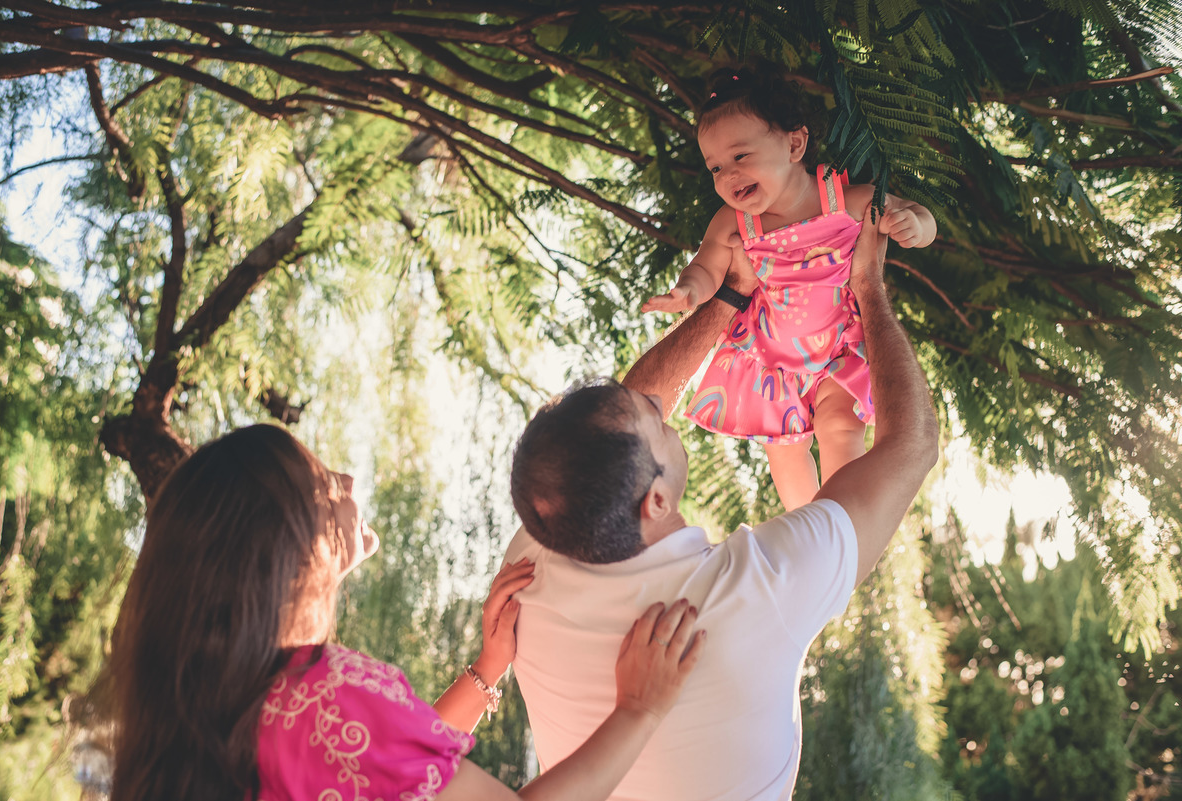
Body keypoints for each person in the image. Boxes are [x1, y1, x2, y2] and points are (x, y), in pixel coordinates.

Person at [505, 219, 939, 801]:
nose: (660, 408)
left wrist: (733, 294)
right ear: (656, 501)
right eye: (656, 423)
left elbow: (615, 432)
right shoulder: (756, 589)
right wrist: (869, 288)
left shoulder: (536, 556)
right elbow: (912, 445)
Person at [93, 423, 706, 801]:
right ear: (278, 541)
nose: (347, 480)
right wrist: (638, 709)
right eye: (321, 482)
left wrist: (488, 667)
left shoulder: (244, 708)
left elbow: (383, 769)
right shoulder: (322, 693)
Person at [642, 66, 937, 510]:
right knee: (783, 450)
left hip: (839, 348)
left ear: (795, 144)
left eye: (741, 156)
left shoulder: (845, 200)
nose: (728, 175)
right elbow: (706, 266)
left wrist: (914, 226)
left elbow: (918, 213)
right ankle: (806, 527)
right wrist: (688, 292)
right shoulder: (734, 222)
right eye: (716, 167)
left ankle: (844, 516)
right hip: (772, 359)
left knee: (840, 426)